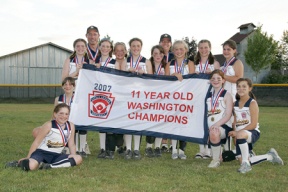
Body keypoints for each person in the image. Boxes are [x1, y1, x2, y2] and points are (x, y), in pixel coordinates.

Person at [228, 78, 284, 173]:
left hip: (252, 132)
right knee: (241, 160)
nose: (241, 89)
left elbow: (253, 124)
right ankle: (270, 156)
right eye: (239, 86)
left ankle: (246, 165)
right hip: (240, 135)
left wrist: (238, 133)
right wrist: (235, 136)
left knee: (241, 136)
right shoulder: (235, 104)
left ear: (250, 88)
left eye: (244, 86)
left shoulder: (252, 103)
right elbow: (235, 123)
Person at [5, 103, 82, 171]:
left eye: (66, 114)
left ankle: (50, 166)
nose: (64, 116)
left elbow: (71, 144)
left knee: (78, 158)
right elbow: (36, 142)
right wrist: (28, 157)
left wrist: (73, 155)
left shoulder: (71, 126)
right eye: (61, 113)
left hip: (56, 155)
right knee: (31, 166)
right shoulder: (49, 125)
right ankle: (20, 163)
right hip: (41, 153)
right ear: (55, 114)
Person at [164, 40, 195, 159]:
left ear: (186, 50)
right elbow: (165, 81)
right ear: (173, 51)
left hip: (186, 98)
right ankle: (173, 150)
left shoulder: (190, 63)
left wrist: (182, 77)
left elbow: (193, 80)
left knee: (183, 123)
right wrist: (173, 76)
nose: (179, 51)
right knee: (173, 122)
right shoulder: (169, 64)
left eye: (181, 49)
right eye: (176, 49)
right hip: (172, 98)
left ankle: (182, 150)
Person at [124, 37, 153, 160]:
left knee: (137, 121)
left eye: (138, 46)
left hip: (141, 96)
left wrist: (144, 74)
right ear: (130, 47)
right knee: (127, 121)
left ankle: (136, 149)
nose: (136, 48)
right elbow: (117, 78)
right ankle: (128, 149)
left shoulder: (146, 61)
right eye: (133, 46)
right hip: (126, 95)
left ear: (141, 47)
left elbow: (152, 80)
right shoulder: (125, 60)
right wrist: (126, 71)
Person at [61, 38, 90, 156]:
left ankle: (82, 148)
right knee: (70, 120)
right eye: (78, 46)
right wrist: (76, 71)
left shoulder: (89, 61)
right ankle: (68, 146)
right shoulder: (69, 60)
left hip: (84, 94)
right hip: (71, 93)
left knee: (82, 121)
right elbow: (64, 79)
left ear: (86, 48)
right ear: (74, 47)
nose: (80, 48)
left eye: (83, 46)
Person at [194, 40, 221, 159]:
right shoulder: (194, 63)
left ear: (210, 48)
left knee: (210, 121)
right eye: (201, 48)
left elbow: (219, 80)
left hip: (211, 96)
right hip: (198, 96)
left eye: (206, 47)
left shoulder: (215, 63)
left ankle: (209, 149)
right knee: (199, 123)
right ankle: (201, 150)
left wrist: (211, 74)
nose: (203, 50)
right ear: (198, 49)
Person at [94, 38, 118, 159]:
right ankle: (102, 148)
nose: (105, 48)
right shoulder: (94, 62)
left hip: (111, 96)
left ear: (110, 49)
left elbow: (119, 80)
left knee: (110, 124)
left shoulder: (115, 62)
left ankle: (111, 149)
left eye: (107, 46)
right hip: (98, 96)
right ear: (99, 48)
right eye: (103, 46)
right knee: (101, 123)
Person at [206, 70, 233, 168]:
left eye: (218, 78)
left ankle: (215, 160)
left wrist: (216, 125)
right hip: (210, 127)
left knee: (214, 132)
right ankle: (218, 154)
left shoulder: (227, 95)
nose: (215, 80)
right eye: (213, 78)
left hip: (223, 126)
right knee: (223, 156)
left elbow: (228, 115)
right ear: (210, 81)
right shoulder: (207, 95)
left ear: (223, 80)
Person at [221, 39, 244, 152]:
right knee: (227, 123)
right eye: (224, 49)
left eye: (228, 49)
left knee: (234, 124)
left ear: (234, 50)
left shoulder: (237, 63)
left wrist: (223, 76)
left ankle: (240, 149)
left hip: (234, 97)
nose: (226, 51)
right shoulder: (224, 64)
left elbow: (239, 79)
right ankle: (229, 149)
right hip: (225, 98)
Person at [144, 45, 167, 158]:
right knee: (150, 122)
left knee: (160, 122)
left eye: (160, 53)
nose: (158, 56)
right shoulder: (148, 65)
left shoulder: (166, 66)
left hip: (163, 98)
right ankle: (148, 146)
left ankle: (157, 146)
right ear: (152, 54)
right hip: (150, 98)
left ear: (163, 55)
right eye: (155, 53)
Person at [159, 33, 174, 152]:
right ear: (160, 43)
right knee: (161, 116)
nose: (165, 43)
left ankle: (172, 141)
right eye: (163, 41)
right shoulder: (154, 55)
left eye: (168, 41)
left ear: (171, 44)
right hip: (160, 91)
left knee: (172, 116)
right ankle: (163, 142)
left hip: (174, 91)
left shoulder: (176, 56)